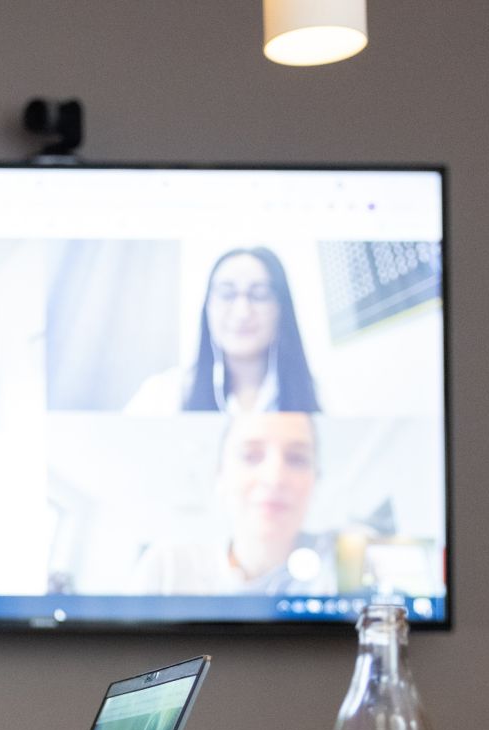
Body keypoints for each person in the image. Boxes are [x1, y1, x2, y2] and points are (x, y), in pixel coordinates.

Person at [129, 411, 337, 595]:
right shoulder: (167, 568)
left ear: (316, 480)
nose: (274, 478)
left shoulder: (348, 563)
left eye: (297, 458)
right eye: (250, 456)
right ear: (220, 475)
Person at [127, 246, 322, 415]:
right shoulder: (162, 395)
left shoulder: (320, 396)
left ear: (281, 308)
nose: (242, 312)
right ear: (207, 307)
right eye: (226, 294)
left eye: (260, 295)